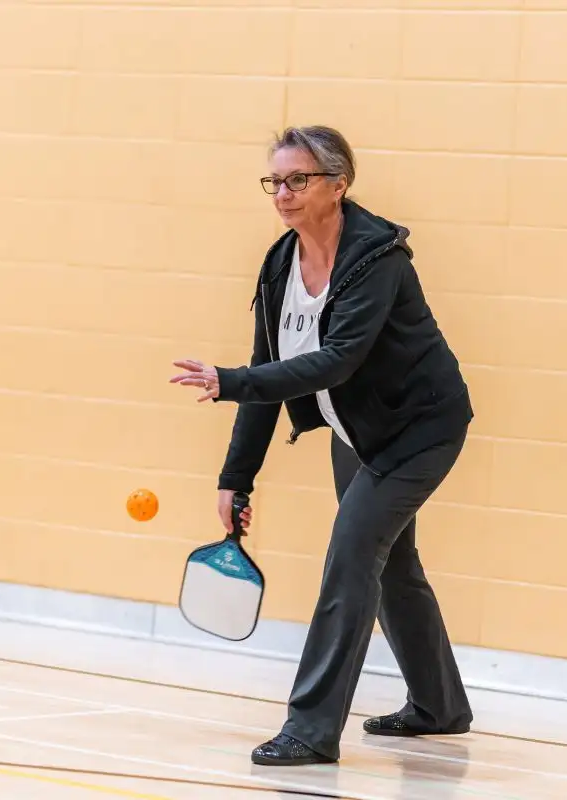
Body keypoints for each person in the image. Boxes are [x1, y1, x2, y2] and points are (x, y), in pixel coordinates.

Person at [169, 125, 474, 767]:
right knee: (391, 564)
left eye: (297, 180)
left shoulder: (376, 256)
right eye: (274, 180)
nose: (282, 193)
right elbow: (269, 364)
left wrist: (228, 383)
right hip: (355, 429)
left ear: (339, 184)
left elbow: (336, 362)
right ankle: (439, 705)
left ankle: (310, 730)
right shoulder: (281, 262)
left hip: (418, 428)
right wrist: (237, 479)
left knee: (351, 555)